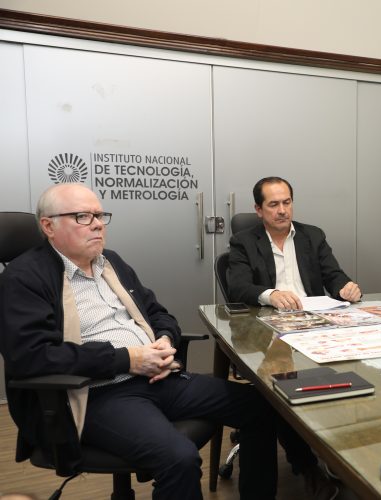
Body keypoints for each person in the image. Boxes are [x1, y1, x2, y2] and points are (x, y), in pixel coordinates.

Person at [0, 183, 277, 499]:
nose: (97, 224)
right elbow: (32, 357)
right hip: (96, 394)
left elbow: (158, 313)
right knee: (179, 459)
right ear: (49, 226)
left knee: (261, 407)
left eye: (99, 215)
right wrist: (128, 360)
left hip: (157, 377)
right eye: (82, 216)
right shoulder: (24, 278)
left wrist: (165, 341)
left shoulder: (110, 262)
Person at [228, 176, 361, 310]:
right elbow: (239, 288)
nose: (282, 211)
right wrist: (271, 295)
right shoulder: (243, 242)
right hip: (269, 315)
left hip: (313, 315)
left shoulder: (313, 236)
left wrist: (346, 289)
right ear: (259, 210)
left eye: (287, 203)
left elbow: (333, 275)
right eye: (274, 204)